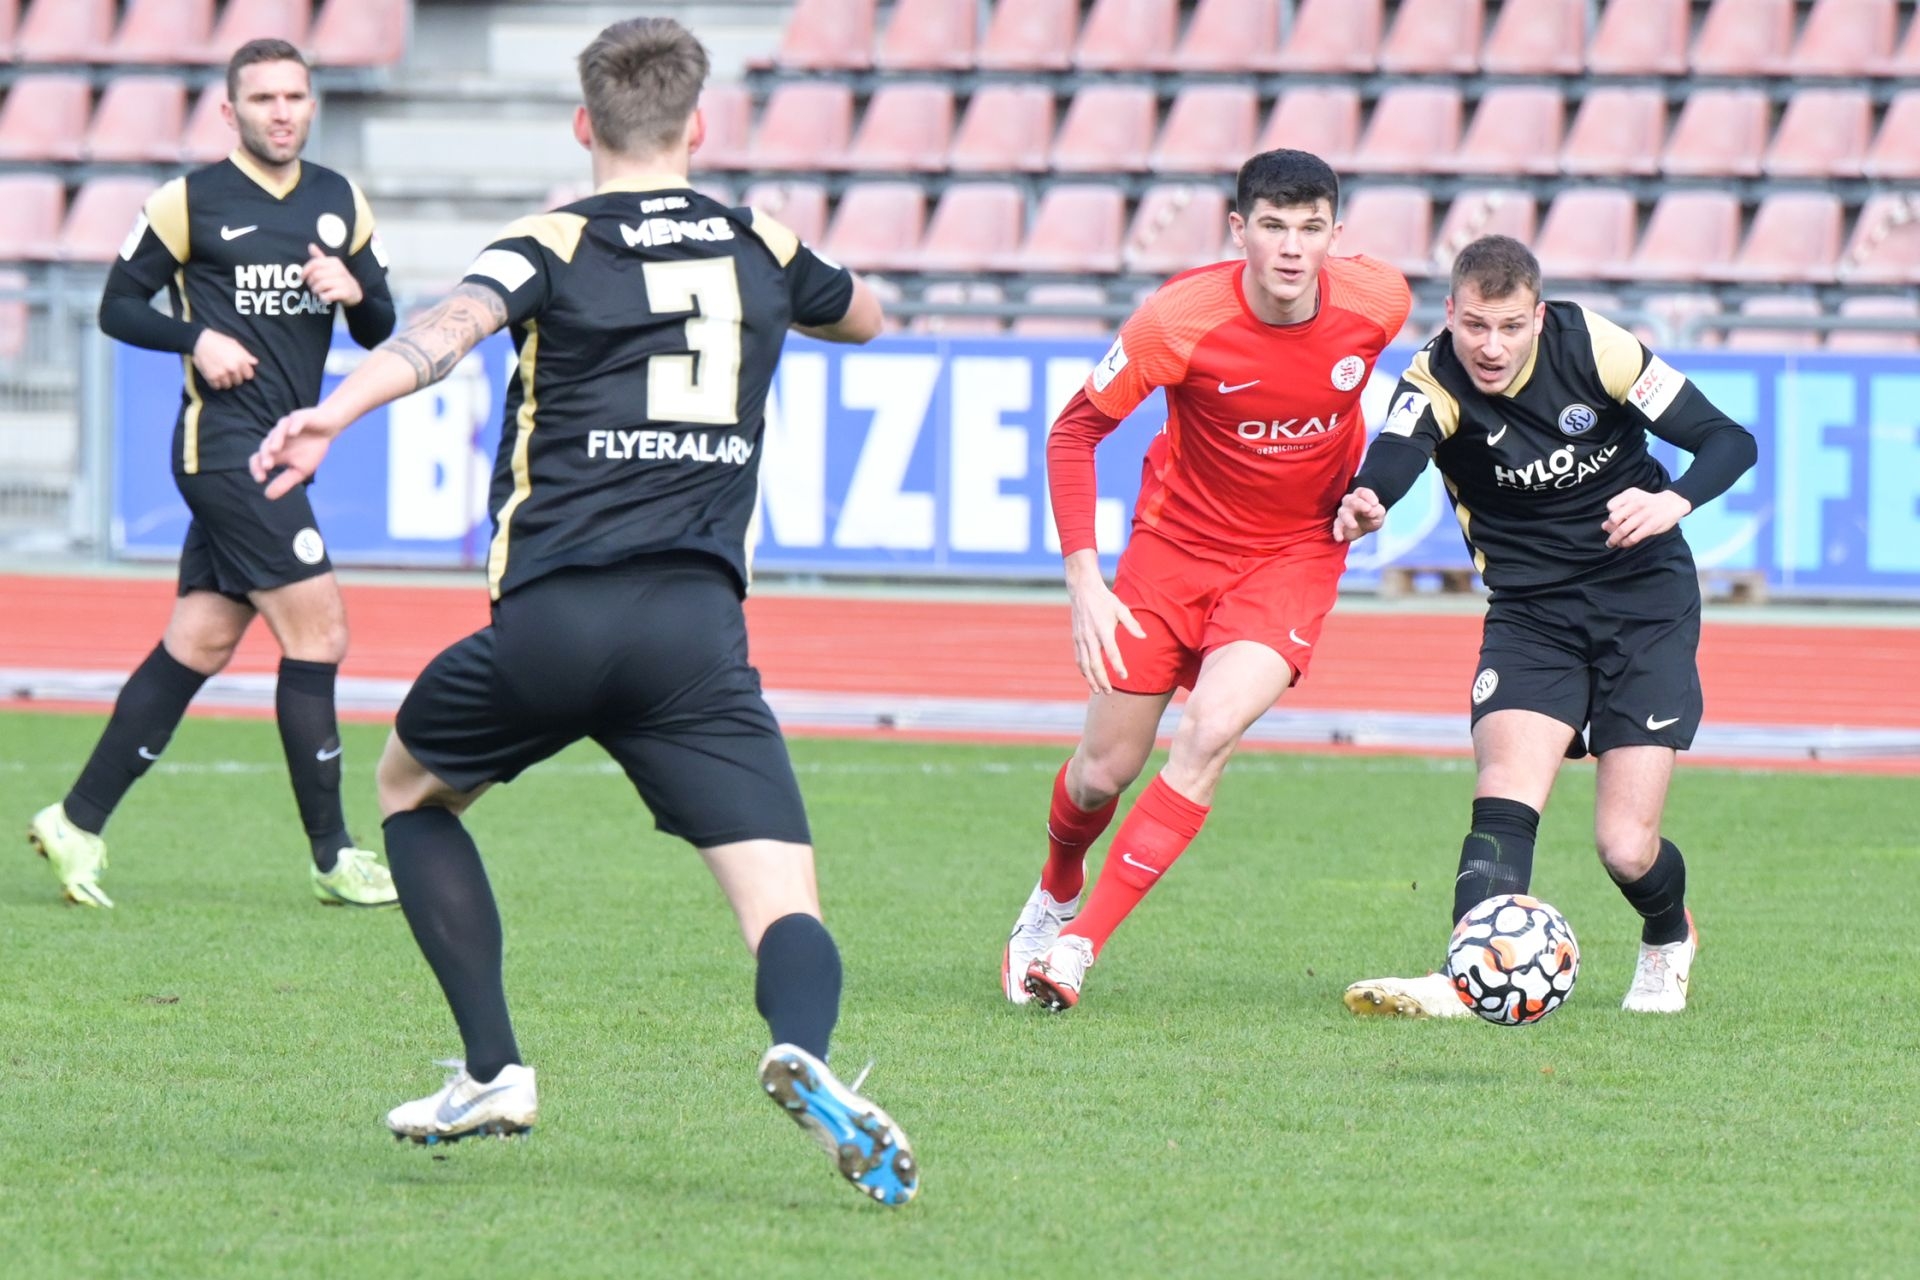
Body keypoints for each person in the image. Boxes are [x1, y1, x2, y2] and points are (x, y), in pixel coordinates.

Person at [248, 18, 917, 1205]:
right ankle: (804, 1048)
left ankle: (494, 1068)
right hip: (696, 635)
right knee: (783, 901)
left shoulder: (551, 239)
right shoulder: (761, 240)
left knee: (408, 791)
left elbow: (446, 332)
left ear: (582, 124)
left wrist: (333, 413)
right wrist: (834, 297)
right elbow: (862, 314)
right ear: (699, 124)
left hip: (555, 618)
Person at [1005, 150, 1413, 1013]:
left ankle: (1077, 947)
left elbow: (1425, 398)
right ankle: (1056, 888)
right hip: (1172, 551)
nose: (1292, 248)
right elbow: (1073, 434)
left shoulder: (1380, 300)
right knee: (1103, 772)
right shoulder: (1177, 321)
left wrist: (1373, 489)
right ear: (1239, 231)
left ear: (1336, 234)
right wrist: (1084, 579)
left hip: (1294, 556)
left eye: (1311, 229)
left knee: (1210, 730)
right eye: (1273, 226)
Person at [1334, 235, 1757, 1018]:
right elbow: (1398, 448)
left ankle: (1669, 934)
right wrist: (1370, 497)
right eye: (1475, 326)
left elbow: (1730, 439)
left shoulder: (1595, 345)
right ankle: (1464, 979)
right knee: (1503, 795)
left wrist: (1673, 501)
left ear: (1538, 316)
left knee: (1625, 847)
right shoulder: (1433, 378)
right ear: (1450, 315)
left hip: (1644, 600)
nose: (1491, 347)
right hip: (1532, 613)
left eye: (1509, 327)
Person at [28, 40, 398, 910]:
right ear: (230, 112)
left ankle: (76, 821)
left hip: (282, 446)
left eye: (295, 96)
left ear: (313, 105)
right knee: (320, 634)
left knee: (199, 643)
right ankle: (333, 856)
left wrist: (354, 290)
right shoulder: (187, 201)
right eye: (263, 98)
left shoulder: (341, 200)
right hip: (226, 448)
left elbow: (379, 328)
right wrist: (196, 337)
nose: (282, 112)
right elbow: (117, 307)